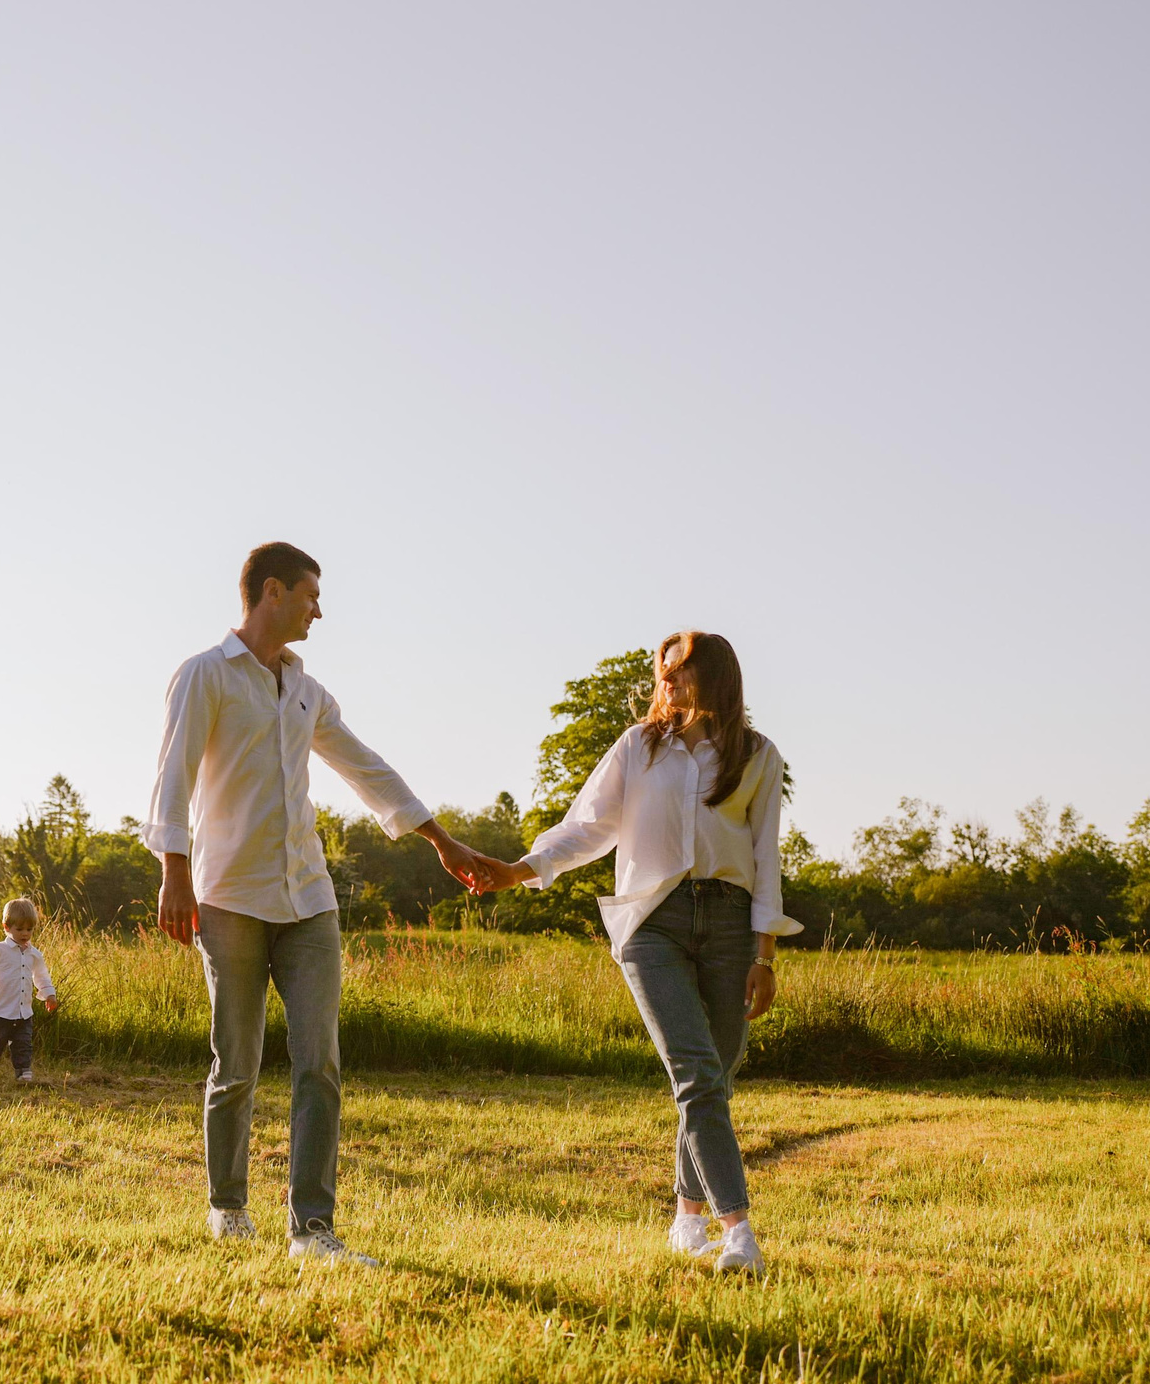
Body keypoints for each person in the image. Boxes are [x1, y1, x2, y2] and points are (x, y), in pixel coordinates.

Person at [146, 541, 498, 1265]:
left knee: (321, 1064)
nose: (319, 609)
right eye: (311, 594)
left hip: (309, 899)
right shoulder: (204, 674)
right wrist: (173, 872)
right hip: (230, 896)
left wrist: (440, 839)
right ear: (271, 591)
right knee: (236, 1061)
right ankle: (227, 1205)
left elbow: (365, 766)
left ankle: (312, 1228)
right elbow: (172, 778)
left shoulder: (307, 691)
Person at [474, 631, 800, 1275]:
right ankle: (738, 1231)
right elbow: (589, 825)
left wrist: (765, 954)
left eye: (678, 670)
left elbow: (767, 860)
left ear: (714, 677)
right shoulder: (639, 746)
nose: (667, 681)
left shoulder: (758, 756)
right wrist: (523, 868)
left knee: (713, 1077)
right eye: (663, 671)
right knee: (698, 1074)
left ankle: (685, 1218)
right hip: (653, 922)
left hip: (731, 922)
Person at [0, 897, 59, 1081]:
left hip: (24, 1012)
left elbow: (41, 976)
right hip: (1, 1011)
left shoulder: (35, 954)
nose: (25, 933)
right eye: (20, 929)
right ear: (6, 927)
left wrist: (50, 994)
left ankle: (23, 1073)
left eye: (29, 929)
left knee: (23, 1044)